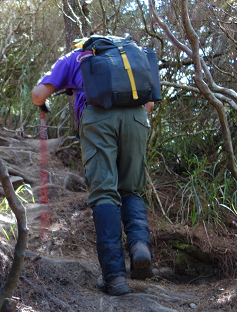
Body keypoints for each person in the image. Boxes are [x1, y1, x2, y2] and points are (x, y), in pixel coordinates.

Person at [31, 43, 154, 296]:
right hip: (137, 118)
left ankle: (115, 277)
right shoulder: (130, 54)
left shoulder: (76, 57)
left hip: (98, 119)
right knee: (131, 189)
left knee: (105, 193)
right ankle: (140, 245)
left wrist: (49, 100)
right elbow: (149, 103)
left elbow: (38, 94)